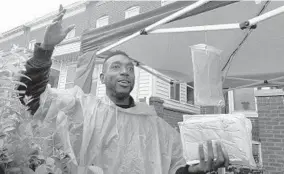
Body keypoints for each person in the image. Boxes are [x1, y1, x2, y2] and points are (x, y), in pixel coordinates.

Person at [18, 5, 229, 174]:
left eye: (130, 68)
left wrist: (196, 169)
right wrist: (45, 49)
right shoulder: (82, 108)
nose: (125, 72)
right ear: (102, 78)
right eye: (116, 67)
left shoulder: (157, 126)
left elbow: (176, 167)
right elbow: (32, 98)